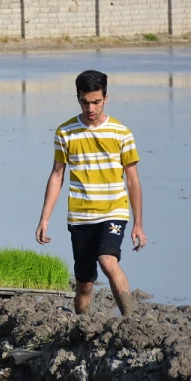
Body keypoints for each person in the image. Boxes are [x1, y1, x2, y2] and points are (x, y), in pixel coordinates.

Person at [35, 70, 146, 316]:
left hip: (113, 211)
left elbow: (133, 180)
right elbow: (57, 175)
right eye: (85, 102)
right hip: (80, 216)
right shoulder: (65, 132)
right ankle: (80, 328)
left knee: (108, 260)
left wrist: (138, 223)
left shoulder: (121, 133)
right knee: (84, 283)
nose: (90, 108)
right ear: (78, 98)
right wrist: (44, 219)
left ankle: (130, 322)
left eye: (96, 101)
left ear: (105, 97)